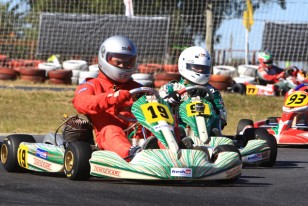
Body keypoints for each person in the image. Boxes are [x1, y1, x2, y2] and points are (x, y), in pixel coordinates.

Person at [72, 35, 142, 160]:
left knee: (160, 129)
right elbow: (81, 102)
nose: (123, 66)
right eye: (118, 62)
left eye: (128, 62)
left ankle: (174, 154)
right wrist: (112, 98)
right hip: (106, 136)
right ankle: (132, 156)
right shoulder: (92, 85)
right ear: (104, 58)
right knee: (112, 130)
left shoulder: (138, 88)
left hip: (138, 135)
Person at [159, 46, 227, 136]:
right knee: (177, 131)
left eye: (204, 68)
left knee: (215, 130)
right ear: (184, 65)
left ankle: (211, 138)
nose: (200, 70)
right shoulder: (170, 88)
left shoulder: (212, 91)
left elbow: (222, 118)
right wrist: (171, 101)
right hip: (180, 133)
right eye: (196, 67)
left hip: (209, 133)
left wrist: (211, 104)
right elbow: (159, 112)